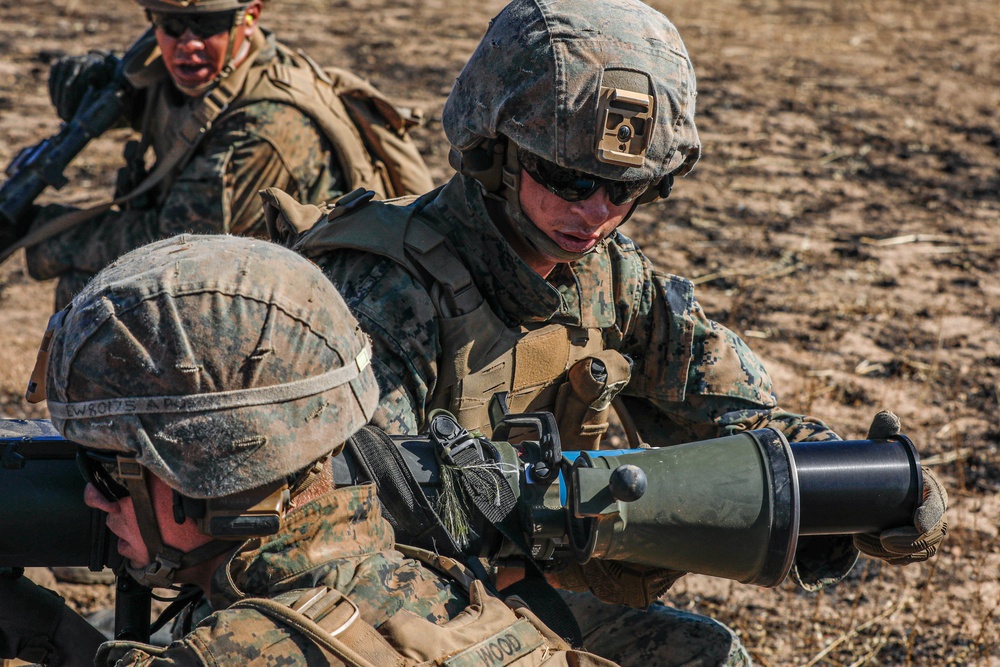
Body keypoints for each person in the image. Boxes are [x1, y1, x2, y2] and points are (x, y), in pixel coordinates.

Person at [263, 0, 949, 664]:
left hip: (518, 593)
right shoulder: (386, 285)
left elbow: (736, 422)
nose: (594, 213)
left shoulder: (609, 276)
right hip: (389, 613)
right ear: (493, 151)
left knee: (709, 654)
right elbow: (349, 523)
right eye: (569, 178)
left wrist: (863, 494)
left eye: (624, 191)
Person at [0, 234, 617, 667]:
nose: (89, 493)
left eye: (109, 469)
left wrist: (49, 634)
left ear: (224, 475)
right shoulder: (440, 585)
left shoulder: (234, 651)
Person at [22, 0, 432, 310]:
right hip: (247, 282)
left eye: (207, 26)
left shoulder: (263, 126)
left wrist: (45, 233)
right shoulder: (209, 71)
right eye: (171, 25)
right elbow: (174, 111)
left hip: (311, 312)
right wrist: (100, 87)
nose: (188, 44)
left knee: (101, 299)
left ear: (249, 17)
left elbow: (177, 247)